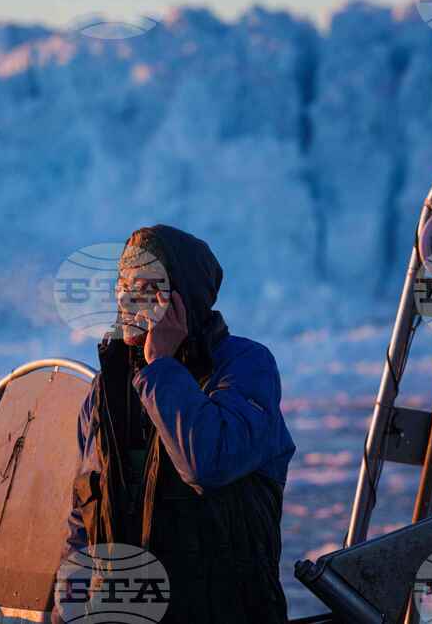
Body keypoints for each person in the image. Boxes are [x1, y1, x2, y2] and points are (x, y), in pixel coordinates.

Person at [52, 224, 296, 624]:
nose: (129, 299)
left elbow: (207, 463)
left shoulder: (244, 367)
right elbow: (82, 523)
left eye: (148, 288)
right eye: (123, 285)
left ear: (184, 300)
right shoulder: (107, 391)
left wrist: (162, 365)